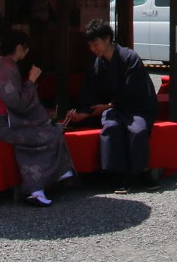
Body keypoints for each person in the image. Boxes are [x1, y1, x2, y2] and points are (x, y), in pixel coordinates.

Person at [0, 32, 74, 207]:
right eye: (25, 48)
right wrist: (31, 80)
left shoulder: (5, 67)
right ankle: (39, 185)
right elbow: (17, 103)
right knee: (48, 135)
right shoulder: (6, 69)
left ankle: (47, 182)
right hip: (3, 124)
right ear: (19, 47)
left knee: (52, 131)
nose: (26, 52)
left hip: (7, 122)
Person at [65, 19, 157, 188]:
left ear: (107, 38)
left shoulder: (130, 57)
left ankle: (144, 172)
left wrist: (109, 105)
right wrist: (83, 112)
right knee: (111, 127)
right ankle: (117, 177)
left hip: (136, 107)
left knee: (137, 130)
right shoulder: (96, 66)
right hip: (113, 109)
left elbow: (134, 89)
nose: (93, 49)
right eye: (90, 46)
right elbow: (91, 94)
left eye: (95, 44)